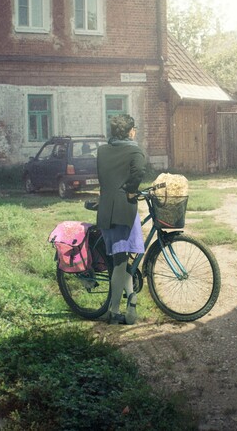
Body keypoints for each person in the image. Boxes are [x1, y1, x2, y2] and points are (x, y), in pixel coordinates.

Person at [96, 114, 146, 325]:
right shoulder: (134, 150)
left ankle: (131, 298)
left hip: (107, 207)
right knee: (120, 261)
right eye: (134, 129)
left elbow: (103, 177)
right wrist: (131, 190)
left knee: (122, 257)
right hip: (124, 210)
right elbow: (139, 172)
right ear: (130, 131)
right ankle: (114, 311)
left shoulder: (102, 150)